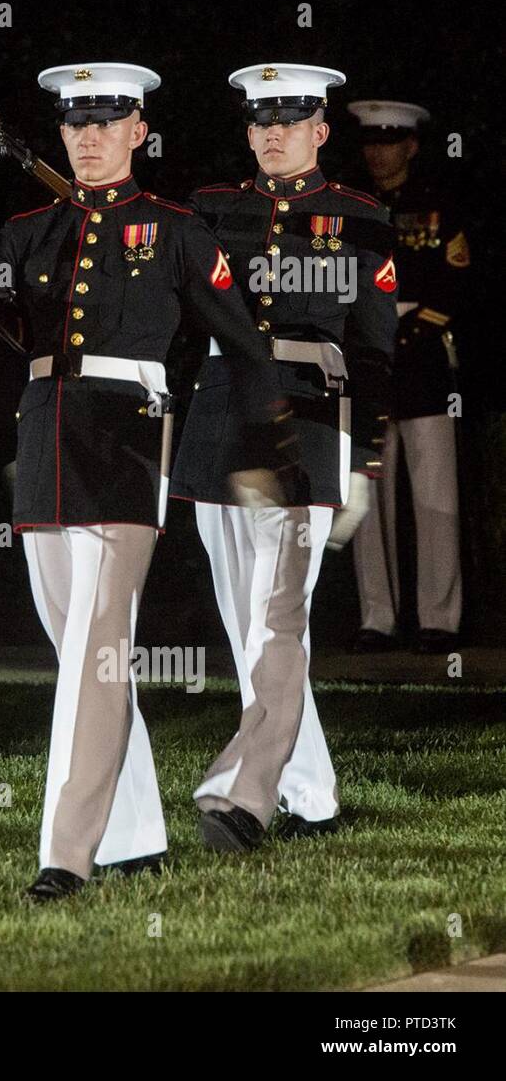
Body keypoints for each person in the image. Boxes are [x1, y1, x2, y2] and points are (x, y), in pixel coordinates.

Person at [0, 62, 288, 902]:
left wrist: (260, 447)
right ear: (60, 135)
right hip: (46, 443)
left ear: (138, 130)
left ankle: (66, 853)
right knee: (83, 659)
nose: (88, 139)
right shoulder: (27, 231)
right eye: (74, 125)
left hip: (127, 443)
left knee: (97, 648)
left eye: (105, 123)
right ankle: (135, 835)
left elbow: (243, 346)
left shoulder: (175, 230)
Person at [172, 63, 398, 849]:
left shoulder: (359, 217)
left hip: (306, 425)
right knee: (247, 626)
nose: (272, 133)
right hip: (216, 423)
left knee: (278, 620)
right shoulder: (208, 210)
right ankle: (313, 794)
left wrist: (364, 459)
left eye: (289, 120)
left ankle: (250, 788)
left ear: (320, 130)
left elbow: (374, 350)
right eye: (261, 120)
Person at [346, 99, 469, 655]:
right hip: (367, 362)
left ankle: (440, 618)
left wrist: (410, 333)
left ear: (412, 145)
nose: (379, 152)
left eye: (390, 141)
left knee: (436, 495)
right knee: (366, 497)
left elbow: (457, 284)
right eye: (371, 142)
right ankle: (378, 617)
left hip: (421, 361)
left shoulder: (437, 206)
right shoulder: (349, 207)